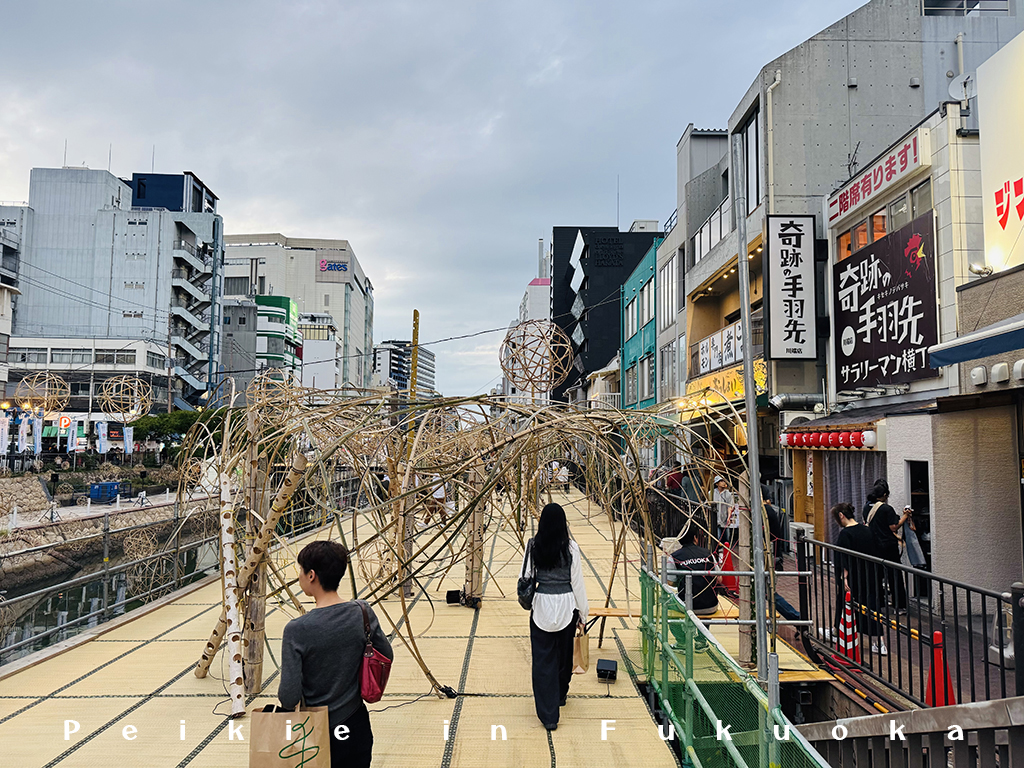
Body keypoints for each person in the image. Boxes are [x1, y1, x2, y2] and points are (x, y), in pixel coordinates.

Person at [278, 541, 394, 768]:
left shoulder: (297, 629)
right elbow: (385, 653)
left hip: (316, 731)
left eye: (300, 570)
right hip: (356, 723)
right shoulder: (362, 612)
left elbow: (288, 697)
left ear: (311, 575)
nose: (299, 576)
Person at [520, 503, 588, 731]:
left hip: (541, 606)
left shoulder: (533, 546)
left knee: (542, 660)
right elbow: (577, 583)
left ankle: (549, 715)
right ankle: (560, 694)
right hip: (567, 605)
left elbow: (526, 576)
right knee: (564, 654)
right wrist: (583, 614)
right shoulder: (571, 548)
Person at [832, 502, 885, 654]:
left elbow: (843, 558)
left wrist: (844, 576)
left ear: (841, 516)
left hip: (854, 576)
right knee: (872, 607)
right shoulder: (868, 530)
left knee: (846, 603)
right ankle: (879, 642)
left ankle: (838, 632)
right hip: (870, 575)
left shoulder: (845, 534)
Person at [864, 480, 909, 613]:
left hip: (873, 544)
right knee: (894, 574)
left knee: (876, 574)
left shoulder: (867, 507)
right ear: (884, 494)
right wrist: (905, 516)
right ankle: (899, 605)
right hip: (888, 545)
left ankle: (877, 602)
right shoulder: (886, 509)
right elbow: (893, 527)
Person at [669, 524, 720, 617]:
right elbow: (720, 579)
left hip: (686, 606)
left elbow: (669, 582)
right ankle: (703, 630)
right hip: (711, 605)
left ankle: (683, 630)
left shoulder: (674, 557)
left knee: (668, 601)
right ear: (695, 538)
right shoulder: (708, 553)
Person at [712, 475, 737, 548]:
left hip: (724, 518)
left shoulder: (728, 494)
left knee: (726, 539)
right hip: (715, 518)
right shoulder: (712, 493)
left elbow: (730, 507)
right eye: (721, 481)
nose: (723, 483)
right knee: (717, 538)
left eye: (723, 481)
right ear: (717, 484)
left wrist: (729, 518)